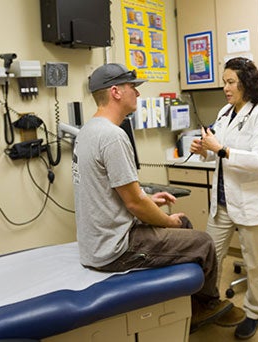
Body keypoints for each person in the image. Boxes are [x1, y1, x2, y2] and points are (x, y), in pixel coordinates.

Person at [72, 63, 237, 333]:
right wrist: (165, 220)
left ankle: (187, 302)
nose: (137, 94)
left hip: (96, 241)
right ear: (115, 92)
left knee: (183, 224)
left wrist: (149, 197)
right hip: (114, 249)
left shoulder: (87, 132)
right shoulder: (113, 136)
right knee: (204, 243)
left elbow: (117, 191)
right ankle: (205, 307)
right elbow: (134, 204)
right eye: (132, 88)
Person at [190, 57, 258, 339]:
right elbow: (215, 147)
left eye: (231, 82)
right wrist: (203, 148)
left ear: (246, 83)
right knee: (211, 257)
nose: (226, 88)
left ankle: (253, 312)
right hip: (222, 201)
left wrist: (220, 150)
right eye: (224, 82)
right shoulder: (225, 111)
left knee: (254, 262)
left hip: (250, 201)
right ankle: (209, 304)